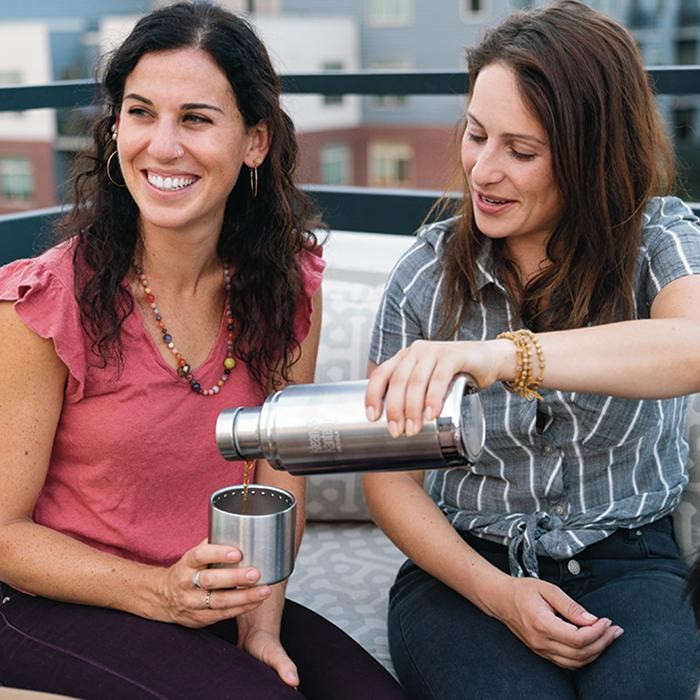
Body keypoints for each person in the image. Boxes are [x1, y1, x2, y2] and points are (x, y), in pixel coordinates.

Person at [0, 3, 405, 699]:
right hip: (52, 602)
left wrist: (261, 623)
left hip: (209, 593)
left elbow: (280, 477)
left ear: (255, 141)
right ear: (115, 129)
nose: (162, 146)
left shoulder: (286, 287)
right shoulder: (43, 304)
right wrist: (160, 592)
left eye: (195, 118)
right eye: (140, 113)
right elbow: (5, 535)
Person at [363, 2, 700, 699]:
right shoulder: (424, 275)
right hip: (465, 570)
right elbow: (388, 478)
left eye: (521, 152)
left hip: (633, 558)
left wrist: (504, 357)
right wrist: (499, 595)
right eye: (476, 134)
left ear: (590, 156)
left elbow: (691, 345)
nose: (483, 171)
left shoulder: (660, 240)